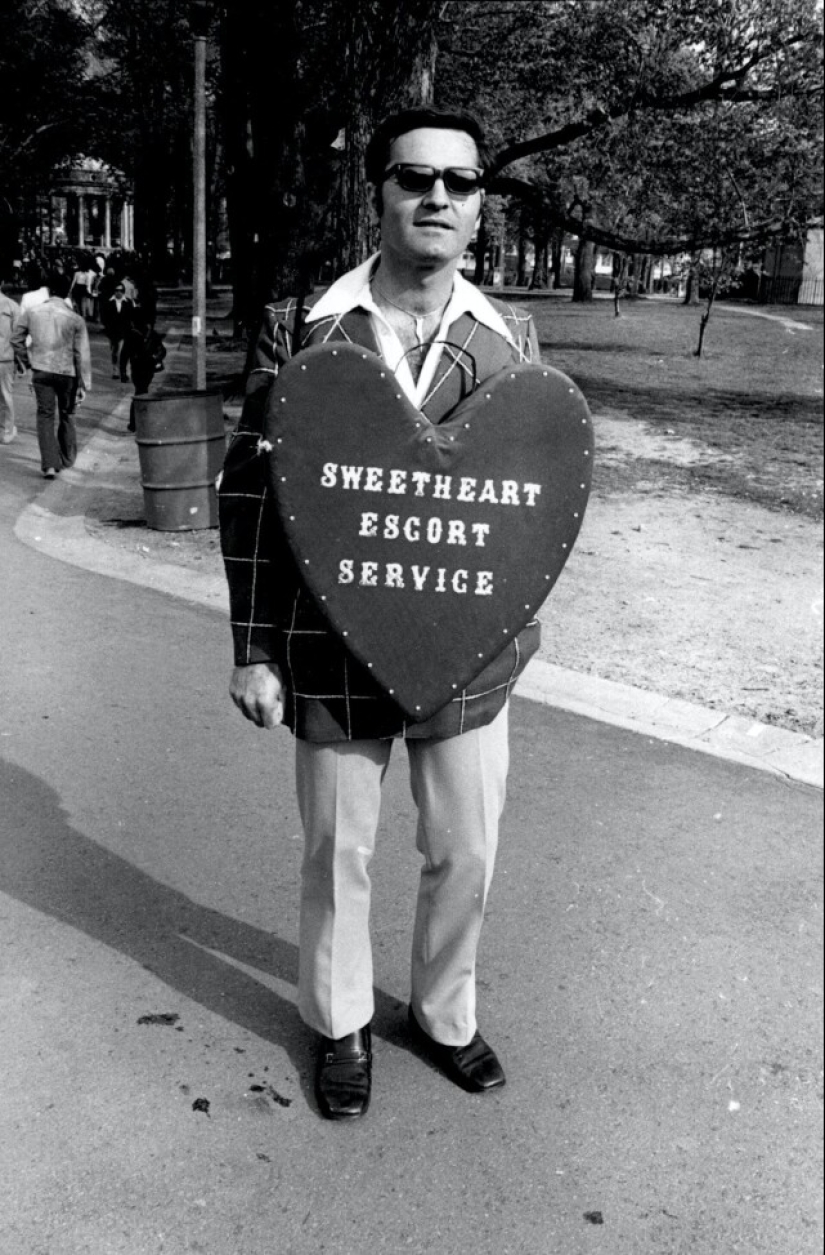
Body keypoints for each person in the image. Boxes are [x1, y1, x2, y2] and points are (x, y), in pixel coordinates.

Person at [218, 105, 541, 1121]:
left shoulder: (512, 335)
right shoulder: (302, 327)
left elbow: (528, 499)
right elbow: (250, 495)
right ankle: (340, 1020)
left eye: (460, 181)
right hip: (329, 643)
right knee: (337, 851)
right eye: (414, 177)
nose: (437, 196)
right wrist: (255, 647)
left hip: (467, 652)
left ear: (480, 206)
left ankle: (444, 1014)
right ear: (380, 193)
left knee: (467, 848)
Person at [11, 271, 91, 478]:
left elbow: (16, 339)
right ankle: (67, 457)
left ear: (49, 290)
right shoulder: (75, 319)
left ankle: (49, 464)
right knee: (67, 413)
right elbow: (81, 354)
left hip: (41, 369)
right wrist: (83, 384)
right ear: (68, 291)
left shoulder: (33, 313)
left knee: (45, 415)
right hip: (67, 372)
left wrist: (28, 362)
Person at [125, 313, 166, 431]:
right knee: (141, 392)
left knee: (140, 393)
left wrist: (155, 357)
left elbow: (124, 354)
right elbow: (162, 351)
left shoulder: (137, 334)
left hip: (142, 369)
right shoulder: (143, 334)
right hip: (143, 369)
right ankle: (138, 422)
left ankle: (136, 423)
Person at [0, 276, 23, 444]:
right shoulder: (12, 306)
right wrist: (21, 361)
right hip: (5, 357)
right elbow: (18, 337)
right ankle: (7, 431)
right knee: (5, 395)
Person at [100, 281, 135, 381]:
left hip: (125, 331)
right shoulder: (109, 302)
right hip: (113, 332)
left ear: (123, 291)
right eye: (116, 290)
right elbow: (104, 317)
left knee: (123, 352)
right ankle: (115, 370)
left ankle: (124, 372)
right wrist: (107, 329)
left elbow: (132, 316)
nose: (118, 292)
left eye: (120, 290)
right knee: (115, 352)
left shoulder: (128, 302)